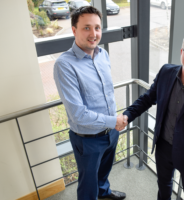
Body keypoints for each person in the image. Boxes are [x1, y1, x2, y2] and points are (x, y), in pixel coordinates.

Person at [121, 31, 184, 200]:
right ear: (181, 52)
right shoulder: (166, 72)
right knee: (164, 185)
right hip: (163, 146)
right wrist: (128, 115)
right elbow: (148, 98)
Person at [54, 6, 127, 200]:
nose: (93, 34)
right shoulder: (65, 65)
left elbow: (107, 93)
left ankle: (104, 192)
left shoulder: (103, 54)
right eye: (86, 28)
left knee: (103, 171)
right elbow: (78, 113)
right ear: (74, 30)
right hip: (88, 139)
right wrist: (114, 121)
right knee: (87, 184)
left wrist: (113, 124)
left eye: (97, 28)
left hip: (111, 132)